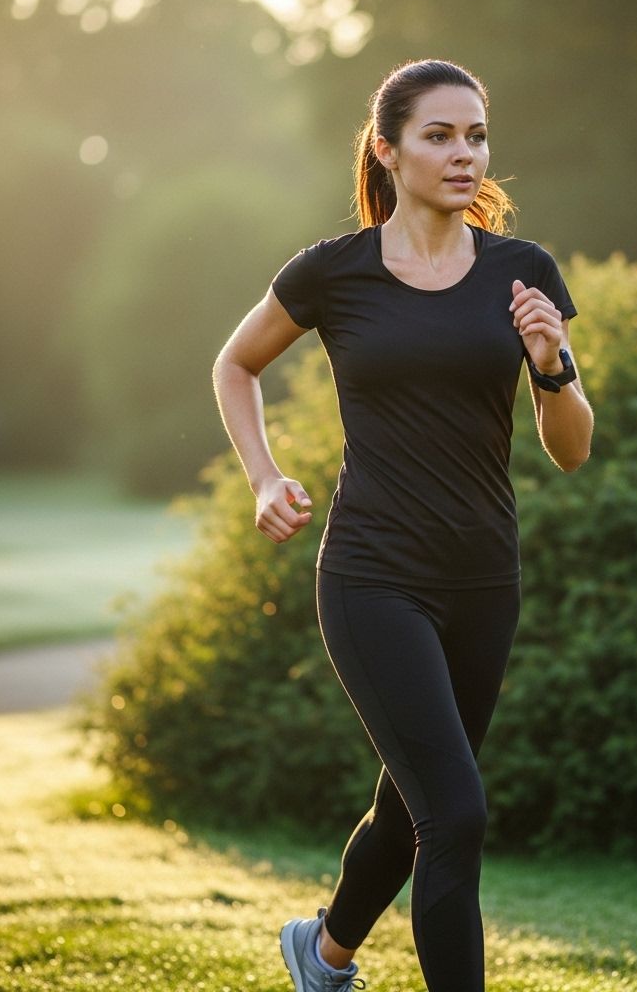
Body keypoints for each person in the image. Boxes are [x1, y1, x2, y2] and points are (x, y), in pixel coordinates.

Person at [212, 59, 593, 992]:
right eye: (439, 135)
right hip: (372, 577)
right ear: (386, 150)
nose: (464, 154)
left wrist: (549, 361)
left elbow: (572, 447)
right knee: (454, 811)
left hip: (483, 580)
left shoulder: (521, 272)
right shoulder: (334, 272)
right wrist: (264, 478)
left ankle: (323, 954)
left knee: (411, 802)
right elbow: (235, 365)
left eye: (476, 135)